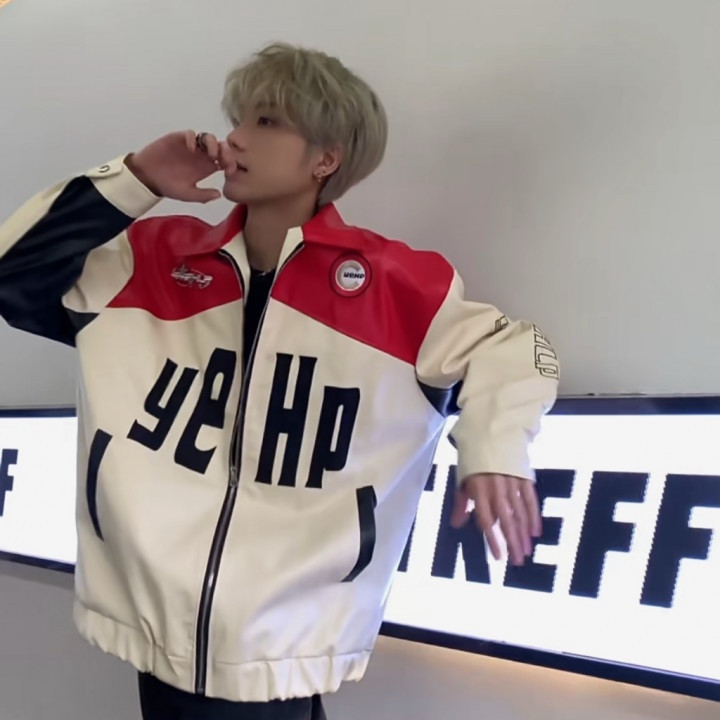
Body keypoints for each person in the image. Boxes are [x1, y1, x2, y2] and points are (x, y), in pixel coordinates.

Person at [0, 42, 559, 720]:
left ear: (325, 159)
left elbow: (521, 350)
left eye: (266, 122)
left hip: (287, 635)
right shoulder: (151, 261)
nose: (236, 137)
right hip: (157, 628)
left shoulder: (395, 284)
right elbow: (13, 272)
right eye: (239, 118)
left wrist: (495, 449)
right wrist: (137, 179)